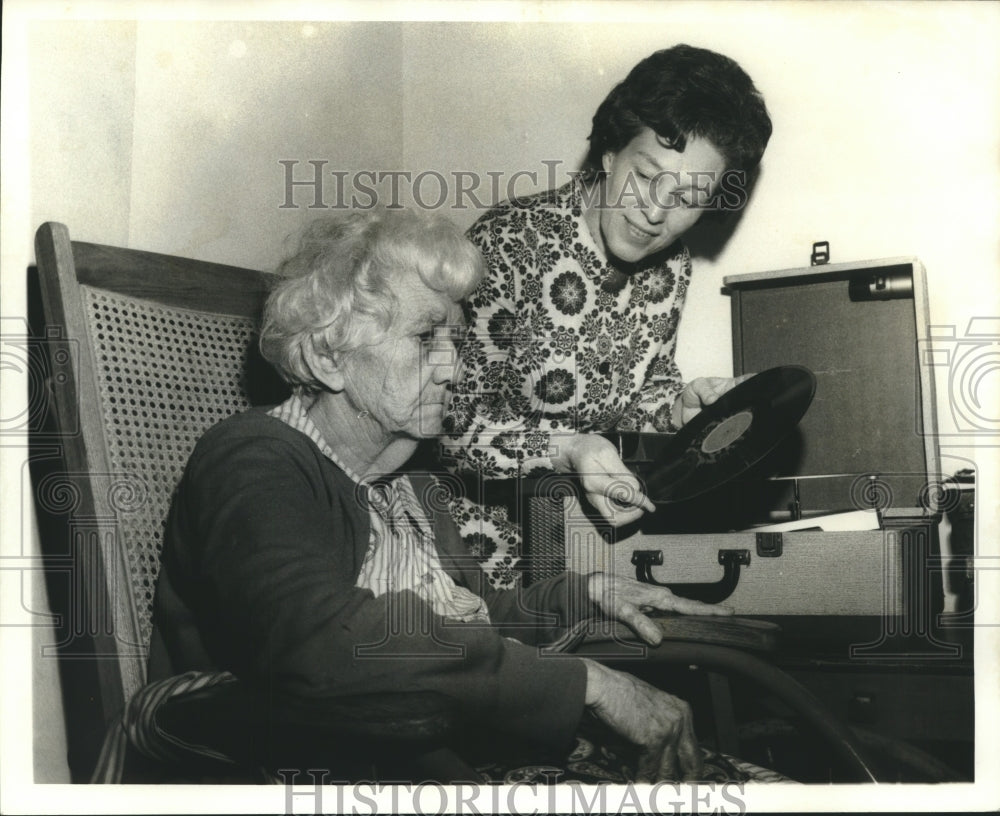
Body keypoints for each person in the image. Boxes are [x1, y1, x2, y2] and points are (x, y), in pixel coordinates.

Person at [142, 208, 737, 783]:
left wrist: (581, 595)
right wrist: (586, 683)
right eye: (427, 337)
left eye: (453, 337)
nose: (453, 367)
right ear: (328, 357)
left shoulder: (410, 489)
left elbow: (469, 624)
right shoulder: (254, 458)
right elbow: (316, 642)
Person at [441, 44, 773, 589]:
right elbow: (451, 432)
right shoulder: (507, 243)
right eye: (647, 177)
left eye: (690, 196)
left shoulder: (671, 269)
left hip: (592, 550)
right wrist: (567, 449)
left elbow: (641, 400)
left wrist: (676, 408)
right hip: (478, 560)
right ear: (610, 153)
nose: (657, 212)